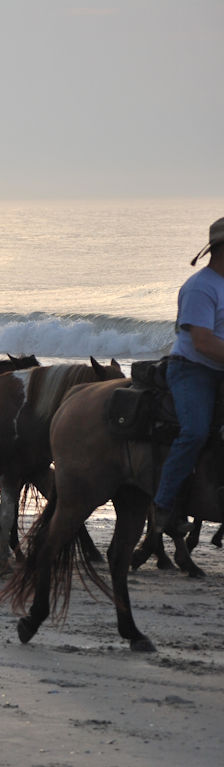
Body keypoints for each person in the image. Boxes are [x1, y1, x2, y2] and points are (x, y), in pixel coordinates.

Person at [153, 216, 224, 535]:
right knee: (194, 431)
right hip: (193, 369)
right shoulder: (200, 287)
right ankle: (164, 507)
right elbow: (203, 342)